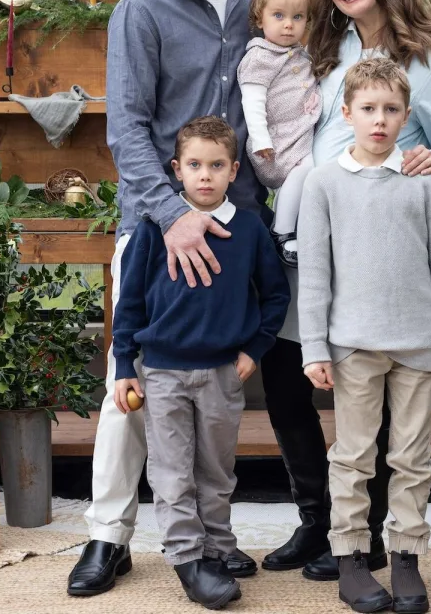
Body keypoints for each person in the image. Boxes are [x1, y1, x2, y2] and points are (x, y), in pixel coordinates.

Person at [259, 0, 431, 581]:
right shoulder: (325, 50)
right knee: (288, 368)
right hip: (311, 229)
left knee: (374, 379)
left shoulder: (426, 54)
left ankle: (371, 539)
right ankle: (318, 522)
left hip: (374, 239)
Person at [69, 0, 267, 597]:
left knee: (217, 390)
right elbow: (125, 130)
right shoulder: (142, 9)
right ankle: (107, 536)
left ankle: (212, 537)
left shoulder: (259, 9)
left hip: (233, 230)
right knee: (134, 382)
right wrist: (173, 216)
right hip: (158, 228)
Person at [299, 57, 431, 613]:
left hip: (419, 346)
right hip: (353, 345)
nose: (379, 120)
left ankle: (405, 558)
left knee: (412, 457)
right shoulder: (324, 183)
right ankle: (351, 560)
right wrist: (314, 347)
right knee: (353, 458)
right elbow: (316, 272)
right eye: (368, 109)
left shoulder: (423, 182)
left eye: (391, 110)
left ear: (406, 116)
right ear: (347, 113)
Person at [111, 116, 290, 610]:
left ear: (234, 170)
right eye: (194, 165)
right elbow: (129, 304)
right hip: (163, 372)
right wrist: (125, 364)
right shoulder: (154, 229)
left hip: (222, 373)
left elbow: (274, 296)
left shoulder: (250, 229)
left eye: (216, 165)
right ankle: (189, 561)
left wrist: (254, 349)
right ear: (176, 170)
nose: (205, 175)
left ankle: (217, 545)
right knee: (172, 472)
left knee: (216, 470)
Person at [237, 0, 320, 268]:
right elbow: (253, 101)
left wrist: (315, 101)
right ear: (260, 19)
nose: (289, 25)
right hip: (274, 144)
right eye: (279, 16)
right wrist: (260, 139)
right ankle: (282, 232)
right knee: (306, 168)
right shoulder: (259, 57)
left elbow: (307, 86)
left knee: (300, 178)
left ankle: (290, 227)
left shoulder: (299, 54)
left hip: (296, 133)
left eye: (297, 17)